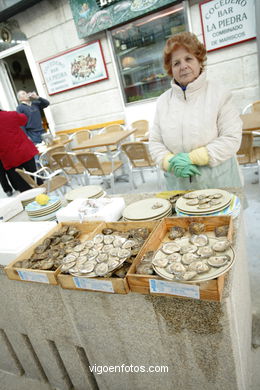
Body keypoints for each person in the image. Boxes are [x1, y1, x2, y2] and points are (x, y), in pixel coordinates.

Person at [149, 32, 242, 190]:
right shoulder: (163, 102)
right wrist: (168, 161)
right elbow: (155, 142)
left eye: (188, 59)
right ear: (171, 70)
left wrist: (194, 157)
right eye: (176, 63)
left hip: (219, 183)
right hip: (179, 186)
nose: (183, 66)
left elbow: (231, 139)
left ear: (200, 62)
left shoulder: (219, 94)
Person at [0, 108, 40, 192]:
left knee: (21, 184)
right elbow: (24, 120)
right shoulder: (11, 115)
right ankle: (45, 197)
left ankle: (29, 201)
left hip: (9, 156)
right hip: (24, 151)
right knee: (35, 175)